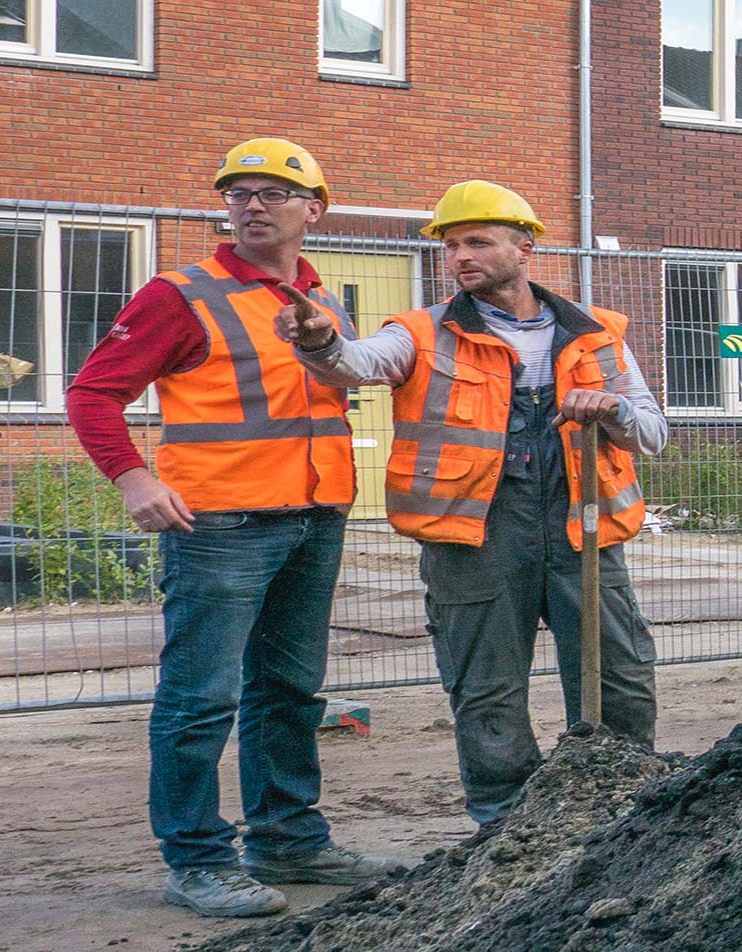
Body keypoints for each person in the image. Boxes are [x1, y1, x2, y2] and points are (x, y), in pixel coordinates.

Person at [67, 137, 397, 919]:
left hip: (315, 517)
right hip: (220, 525)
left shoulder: (319, 299)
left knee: (289, 689)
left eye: (272, 194)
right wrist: (134, 478)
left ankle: (289, 838)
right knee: (199, 698)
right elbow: (92, 393)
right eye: (238, 193)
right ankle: (196, 859)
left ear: (313, 210)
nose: (252, 205)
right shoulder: (183, 294)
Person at [275, 179, 668, 830]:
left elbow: (653, 433)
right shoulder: (421, 334)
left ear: (525, 247)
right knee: (486, 691)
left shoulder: (596, 332)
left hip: (582, 532)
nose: (459, 256)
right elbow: (357, 363)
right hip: (473, 537)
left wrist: (615, 408)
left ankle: (617, 815)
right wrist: (319, 343)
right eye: (451, 245)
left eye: (477, 242)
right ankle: (505, 828)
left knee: (619, 679)